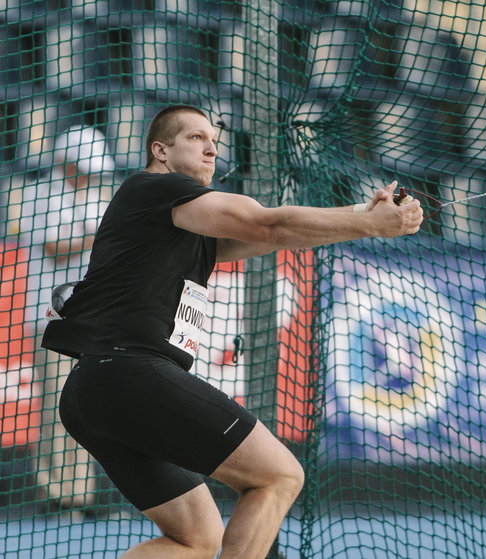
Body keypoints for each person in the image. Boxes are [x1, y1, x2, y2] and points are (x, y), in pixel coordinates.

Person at [42, 104, 423, 558]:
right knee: (279, 475)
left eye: (214, 142)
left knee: (196, 540)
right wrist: (368, 223)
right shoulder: (156, 189)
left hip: (96, 390)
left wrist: (366, 216)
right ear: (160, 150)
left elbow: (277, 236)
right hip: (128, 374)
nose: (211, 149)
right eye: (196, 138)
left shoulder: (179, 224)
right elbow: (269, 221)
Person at [12, 125, 117, 513]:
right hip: (52, 317)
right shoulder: (41, 194)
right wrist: (102, 236)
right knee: (59, 407)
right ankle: (58, 495)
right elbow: (56, 248)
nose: (87, 174)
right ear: (64, 163)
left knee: (87, 405)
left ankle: (82, 495)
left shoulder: (97, 196)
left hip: (93, 317)